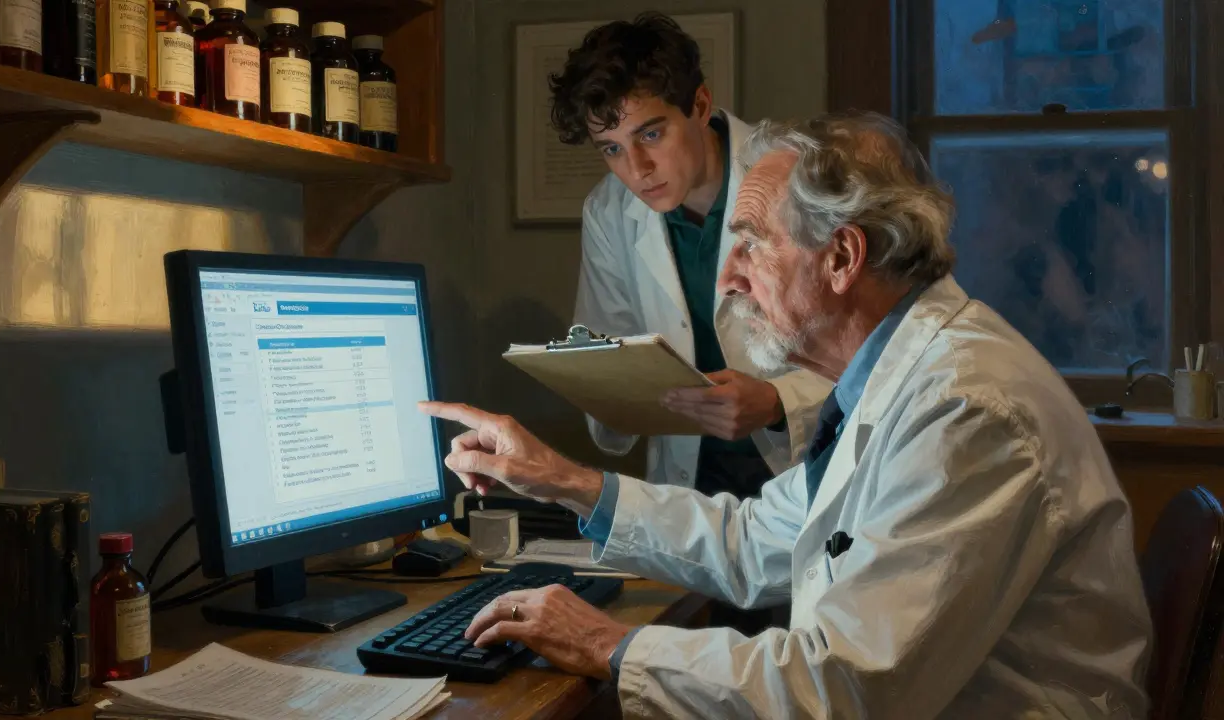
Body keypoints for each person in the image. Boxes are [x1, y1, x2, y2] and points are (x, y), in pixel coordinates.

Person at [421, 112, 1153, 717]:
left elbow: (848, 686)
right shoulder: (894, 377)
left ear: (841, 258)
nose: (729, 278)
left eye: (752, 243)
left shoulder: (965, 409)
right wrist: (561, 480)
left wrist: (608, 645)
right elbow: (751, 539)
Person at [554, 12, 830, 499]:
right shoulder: (608, 211)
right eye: (611, 149)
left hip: (806, 477)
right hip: (691, 494)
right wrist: (605, 390)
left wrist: (776, 402)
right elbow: (604, 361)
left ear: (700, 105)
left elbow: (875, 355)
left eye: (651, 134)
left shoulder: (800, 179)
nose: (636, 170)